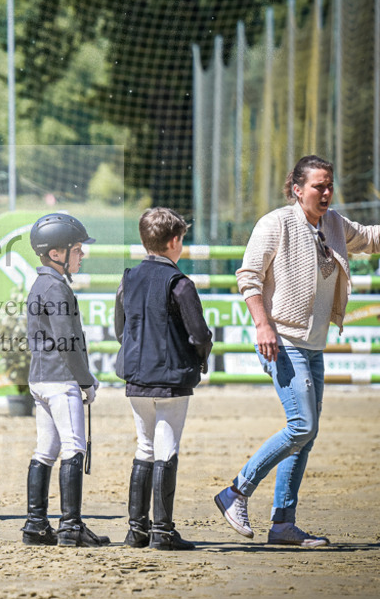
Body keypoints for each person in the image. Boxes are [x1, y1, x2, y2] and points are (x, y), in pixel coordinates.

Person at [214, 155, 380, 547]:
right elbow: (248, 278)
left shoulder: (335, 223)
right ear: (297, 189)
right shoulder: (275, 224)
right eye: (318, 186)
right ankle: (235, 492)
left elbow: (371, 239)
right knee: (301, 426)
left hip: (313, 344)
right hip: (283, 341)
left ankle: (283, 524)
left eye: (330, 185)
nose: (326, 192)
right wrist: (263, 325)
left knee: (304, 434)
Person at [114, 207, 212, 551]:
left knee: (144, 447)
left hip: (136, 379)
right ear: (174, 242)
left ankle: (136, 529)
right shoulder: (180, 283)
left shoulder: (128, 278)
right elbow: (199, 333)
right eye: (182, 239)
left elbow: (119, 328)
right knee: (166, 450)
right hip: (170, 380)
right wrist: (200, 359)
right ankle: (162, 530)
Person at [20, 213, 109, 548]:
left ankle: (35, 524)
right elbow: (67, 340)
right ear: (56, 253)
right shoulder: (56, 288)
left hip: (40, 378)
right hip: (60, 380)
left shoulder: (41, 284)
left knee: (45, 450)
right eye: (77, 249)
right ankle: (70, 525)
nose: (82, 254)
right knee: (74, 447)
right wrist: (86, 381)